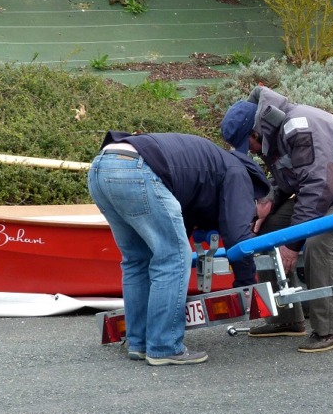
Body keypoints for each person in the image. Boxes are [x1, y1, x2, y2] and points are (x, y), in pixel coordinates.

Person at [221, 86, 333, 353]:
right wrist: (269, 201)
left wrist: (292, 244)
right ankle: (285, 319)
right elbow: (292, 181)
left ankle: (329, 330)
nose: (252, 152)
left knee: (319, 241)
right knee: (268, 232)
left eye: (249, 145)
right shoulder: (272, 133)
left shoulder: (299, 127)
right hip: (328, 193)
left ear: (255, 132)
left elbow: (318, 186)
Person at [88, 130, 272, 366]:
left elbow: (181, 222)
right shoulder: (239, 174)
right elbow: (238, 235)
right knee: (174, 258)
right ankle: (164, 346)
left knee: (138, 260)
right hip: (137, 170)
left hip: (101, 167)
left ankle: (139, 343)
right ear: (259, 197)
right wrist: (247, 283)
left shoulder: (211, 165)